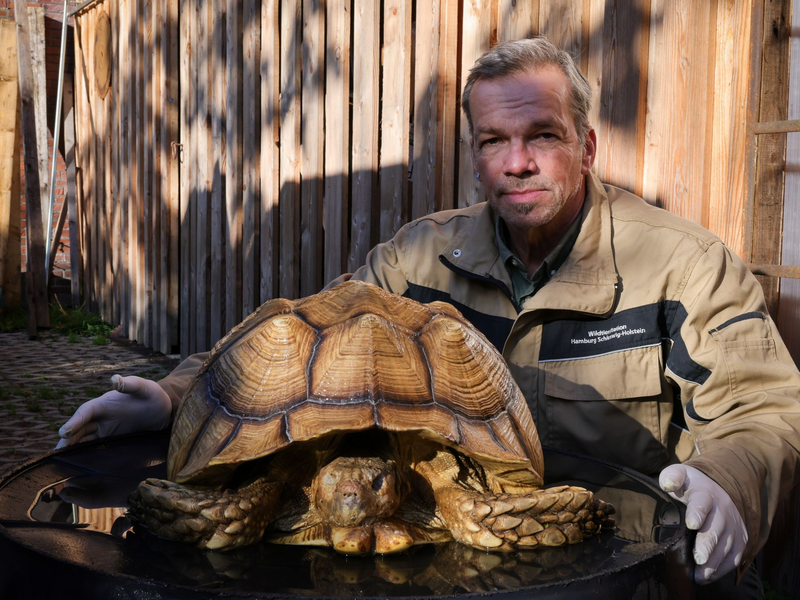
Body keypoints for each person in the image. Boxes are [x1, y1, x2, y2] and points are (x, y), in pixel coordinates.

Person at [57, 37, 799, 597]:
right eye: (493, 142)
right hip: (452, 570)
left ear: (586, 145)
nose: (517, 162)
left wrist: (727, 481)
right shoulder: (419, 261)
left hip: (622, 575)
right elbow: (288, 336)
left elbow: (763, 409)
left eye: (541, 134)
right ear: (475, 159)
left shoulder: (683, 264)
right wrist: (174, 395)